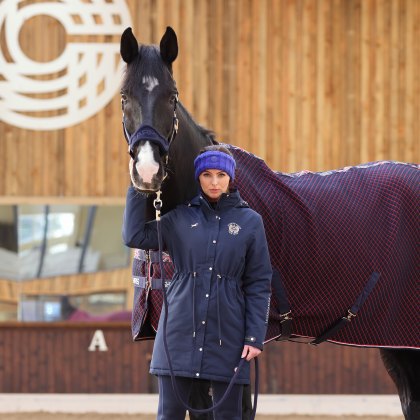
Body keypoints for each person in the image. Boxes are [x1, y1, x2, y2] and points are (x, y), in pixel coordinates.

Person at [123, 145, 272, 420]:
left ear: (230, 178)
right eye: (206, 175)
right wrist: (136, 184)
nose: (214, 182)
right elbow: (134, 235)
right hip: (177, 332)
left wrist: (254, 336)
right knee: (169, 415)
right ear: (198, 178)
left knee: (228, 416)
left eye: (220, 175)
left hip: (228, 335)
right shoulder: (179, 218)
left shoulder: (251, 222)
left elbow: (259, 283)